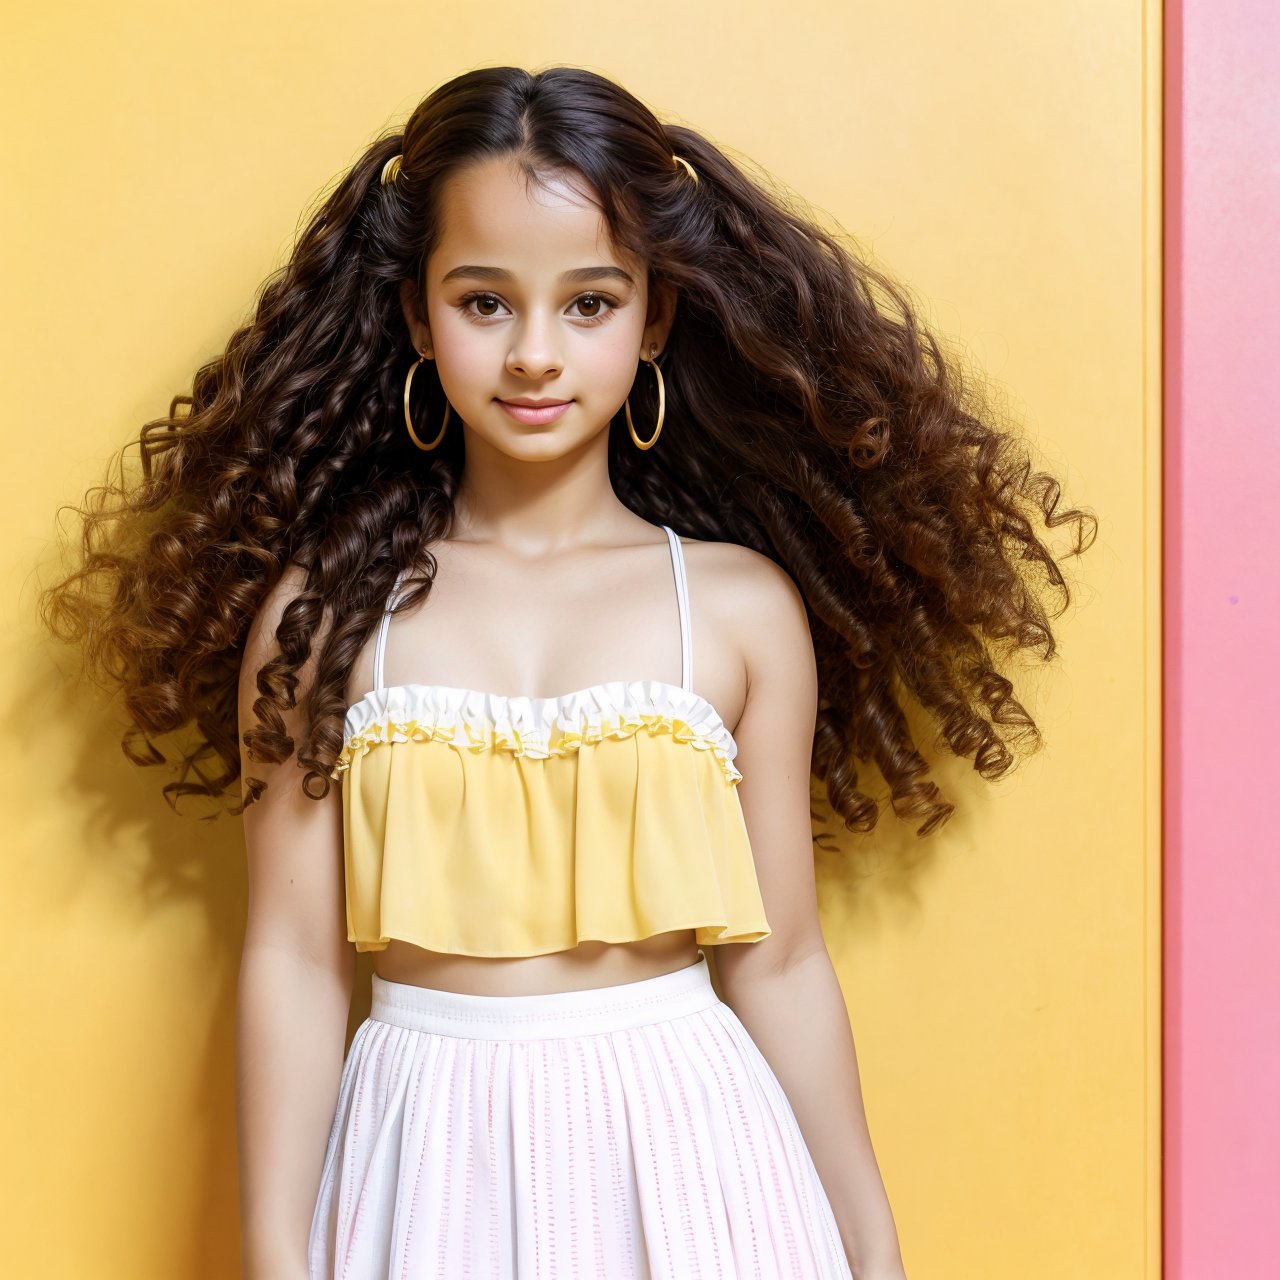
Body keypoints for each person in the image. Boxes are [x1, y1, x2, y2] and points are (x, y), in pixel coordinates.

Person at [41, 64, 1096, 1279]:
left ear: (652, 319)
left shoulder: (738, 609)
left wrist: (868, 1239)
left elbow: (782, 957)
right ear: (413, 314)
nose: (535, 353)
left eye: (587, 303)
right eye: (483, 301)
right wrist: (278, 1249)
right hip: (421, 1145)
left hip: (693, 1150)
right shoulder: (325, 616)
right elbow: (290, 952)